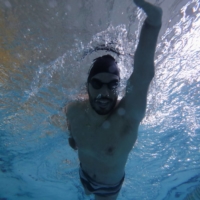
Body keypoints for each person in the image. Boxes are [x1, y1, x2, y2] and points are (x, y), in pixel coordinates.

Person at [66, 0, 162, 199]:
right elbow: (74, 136)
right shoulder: (73, 110)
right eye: (97, 83)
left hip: (108, 188)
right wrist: (74, 138)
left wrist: (153, 23)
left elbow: (143, 76)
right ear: (87, 86)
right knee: (84, 192)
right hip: (83, 175)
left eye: (112, 85)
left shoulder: (128, 117)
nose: (104, 92)